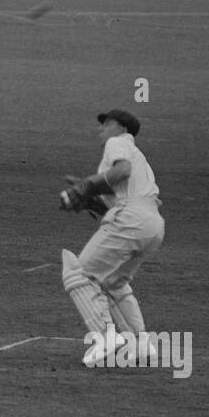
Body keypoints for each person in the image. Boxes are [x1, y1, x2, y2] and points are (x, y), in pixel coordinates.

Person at [58, 109, 164, 368]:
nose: (100, 129)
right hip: (152, 225)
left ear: (121, 127)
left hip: (132, 218)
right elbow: (113, 207)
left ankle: (106, 337)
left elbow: (123, 171)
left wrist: (86, 186)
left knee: (79, 274)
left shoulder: (118, 143)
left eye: (105, 124)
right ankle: (141, 345)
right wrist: (89, 202)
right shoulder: (139, 158)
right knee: (113, 282)